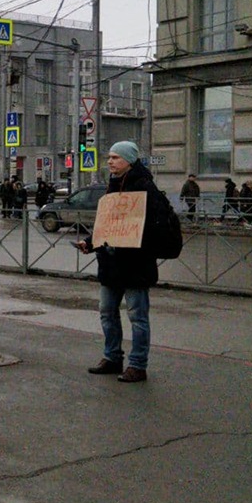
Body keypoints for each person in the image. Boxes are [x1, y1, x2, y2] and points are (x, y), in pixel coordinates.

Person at [75, 141, 164, 383]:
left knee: (137, 317)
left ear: (129, 160)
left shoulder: (146, 188)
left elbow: (154, 227)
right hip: (111, 264)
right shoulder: (112, 186)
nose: (110, 161)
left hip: (136, 264)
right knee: (107, 312)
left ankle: (137, 365)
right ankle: (112, 357)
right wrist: (90, 242)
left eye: (115, 157)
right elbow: (107, 225)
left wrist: (137, 240)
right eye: (109, 157)